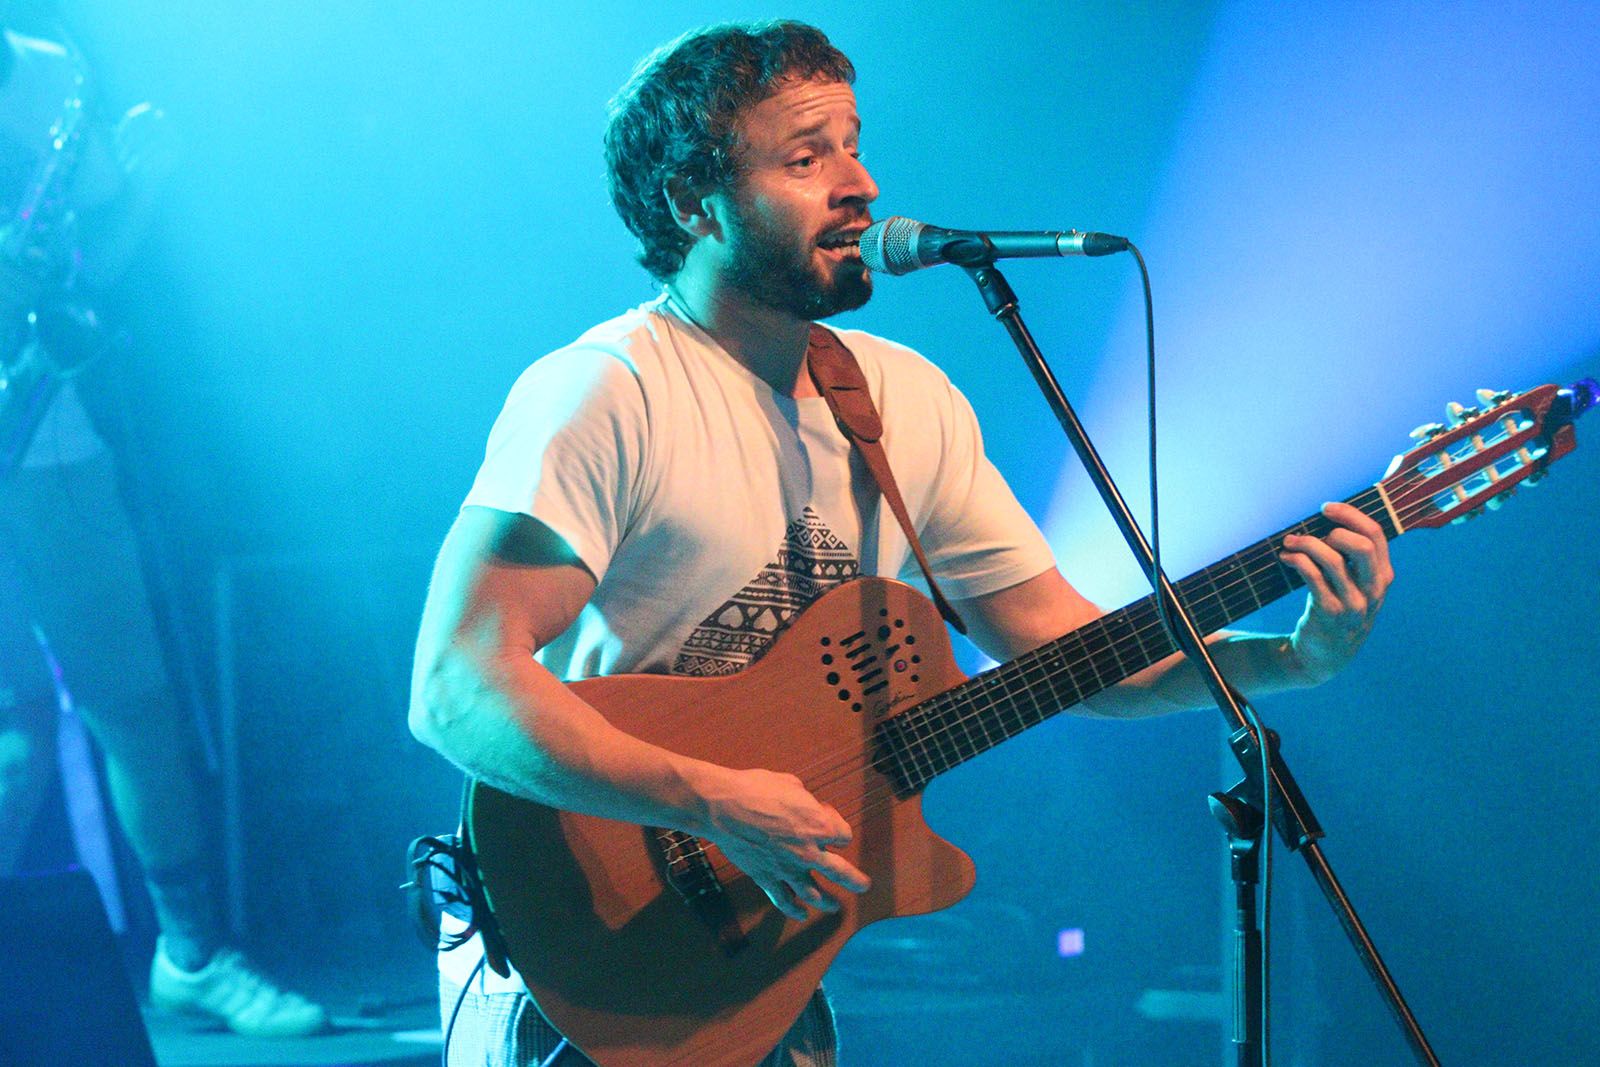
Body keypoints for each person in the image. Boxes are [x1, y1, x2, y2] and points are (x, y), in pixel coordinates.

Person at [408, 20, 1394, 1066]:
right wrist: (708, 796)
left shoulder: (902, 400)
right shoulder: (610, 390)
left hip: (756, 965)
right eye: (805, 156)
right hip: (589, 941)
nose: (861, 183)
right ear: (693, 203)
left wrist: (1292, 660)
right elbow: (454, 687)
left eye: (853, 142)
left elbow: (1075, 658)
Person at [0, 24, 327, 1037]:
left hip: (44, 429)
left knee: (133, 703)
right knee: (20, 730)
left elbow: (85, 272)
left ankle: (190, 955)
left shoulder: (47, 70)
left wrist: (143, 190)